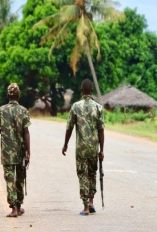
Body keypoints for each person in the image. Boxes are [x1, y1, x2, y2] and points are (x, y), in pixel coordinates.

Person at [62, 79, 105, 216]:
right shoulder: (98, 107)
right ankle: (91, 202)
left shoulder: (75, 107)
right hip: (93, 148)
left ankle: (86, 207)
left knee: (83, 175)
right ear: (91, 90)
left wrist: (65, 144)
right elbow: (101, 130)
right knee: (92, 174)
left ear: (81, 90)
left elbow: (69, 128)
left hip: (81, 149)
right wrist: (102, 150)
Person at [0, 83, 31, 218]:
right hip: (20, 151)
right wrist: (28, 152)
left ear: (8, 95)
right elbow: (26, 132)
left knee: (10, 179)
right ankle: (19, 206)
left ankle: (14, 208)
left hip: (6, 152)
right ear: (18, 95)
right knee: (20, 179)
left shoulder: (1, 110)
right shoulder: (24, 111)